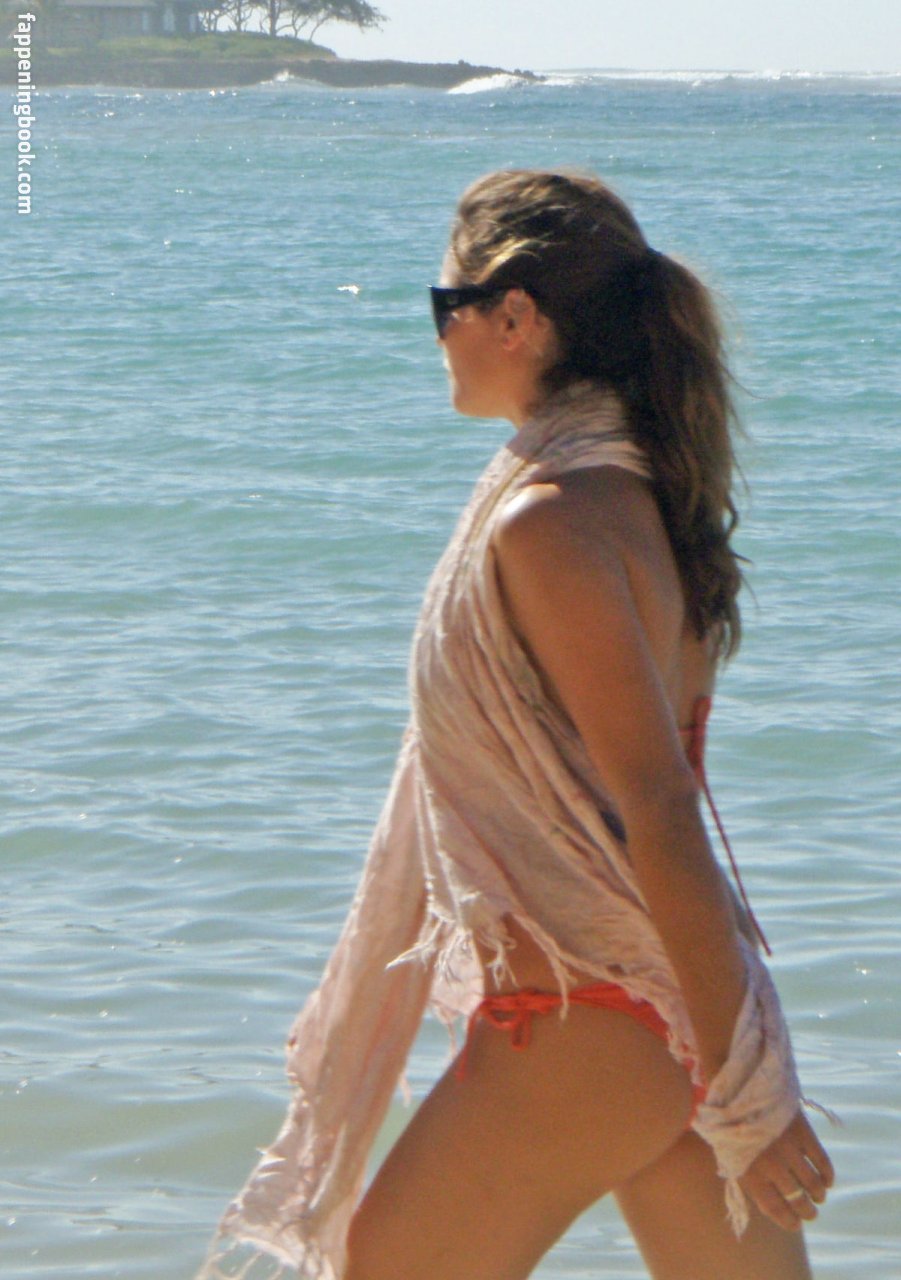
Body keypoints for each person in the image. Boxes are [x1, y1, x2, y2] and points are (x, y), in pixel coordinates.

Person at [202, 170, 833, 1280]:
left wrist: (748, 1089)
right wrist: (731, 1056)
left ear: (514, 316)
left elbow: (656, 801)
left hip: (589, 1018)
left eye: (442, 304)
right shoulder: (640, 500)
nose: (436, 337)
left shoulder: (548, 521)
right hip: (665, 1004)